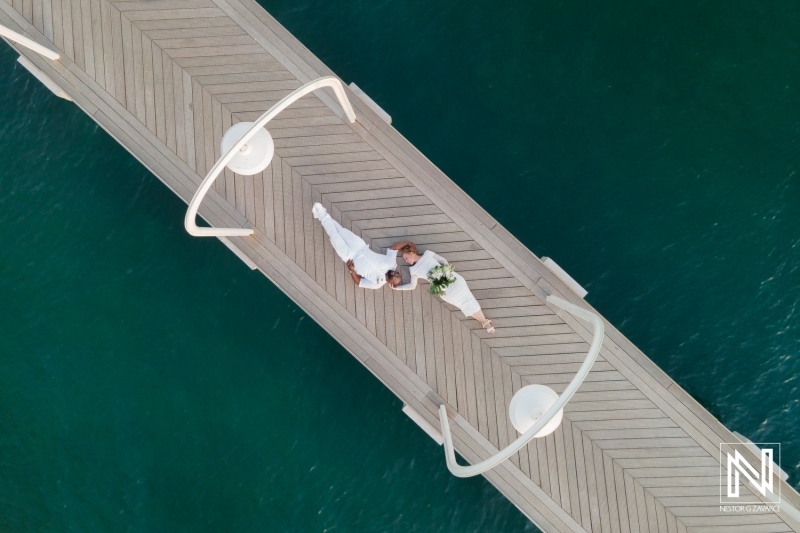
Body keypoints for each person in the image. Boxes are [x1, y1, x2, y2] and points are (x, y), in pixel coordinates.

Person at [390, 241, 495, 333]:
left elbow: (443, 260)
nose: (406, 261)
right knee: (463, 306)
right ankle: (485, 322)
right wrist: (397, 288)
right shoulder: (413, 270)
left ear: (412, 253)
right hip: (445, 291)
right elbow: (412, 286)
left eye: (406, 258)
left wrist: (445, 272)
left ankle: (486, 323)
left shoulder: (428, 254)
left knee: (469, 300)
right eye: (405, 260)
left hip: (453, 280)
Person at [312, 203, 402, 289]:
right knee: (340, 230)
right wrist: (408, 244)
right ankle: (321, 215)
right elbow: (394, 249)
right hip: (360, 246)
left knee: (334, 235)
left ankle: (322, 213)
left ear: (391, 282)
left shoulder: (376, 284)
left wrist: (351, 270)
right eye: (397, 273)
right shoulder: (391, 264)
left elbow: (359, 282)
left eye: (396, 277)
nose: (395, 273)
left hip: (350, 257)